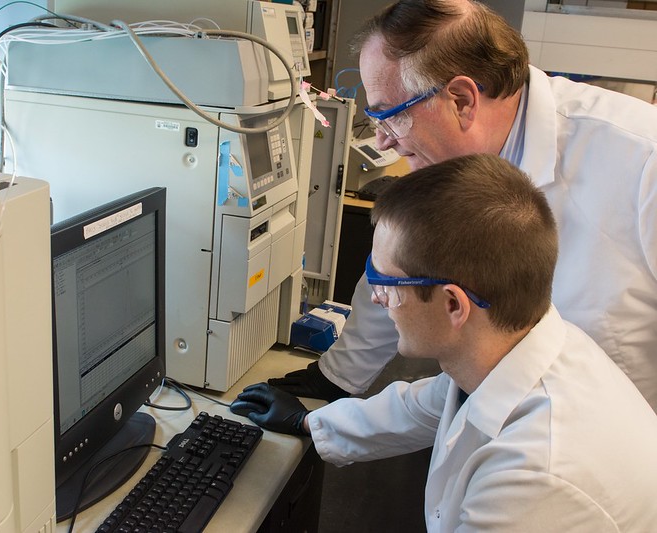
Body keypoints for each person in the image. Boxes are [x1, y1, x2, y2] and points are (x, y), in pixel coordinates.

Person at [232, 154, 657, 531]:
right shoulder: (520, 348)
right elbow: (422, 406)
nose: (377, 299)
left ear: (454, 304)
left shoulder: (535, 476)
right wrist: (305, 423)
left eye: (385, 283)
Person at [269, 0, 657, 411]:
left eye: (391, 116)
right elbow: (399, 271)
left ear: (461, 100)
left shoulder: (641, 160)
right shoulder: (457, 157)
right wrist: (335, 379)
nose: (382, 140)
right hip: (504, 423)